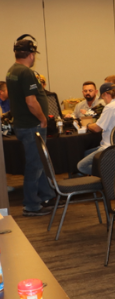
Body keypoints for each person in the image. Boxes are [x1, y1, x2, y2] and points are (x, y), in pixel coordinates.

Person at [6, 35, 55, 216]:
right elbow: (31, 101)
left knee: (39, 162)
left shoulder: (12, 70)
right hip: (32, 125)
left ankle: (47, 196)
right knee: (35, 165)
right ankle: (31, 205)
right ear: (32, 55)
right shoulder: (26, 72)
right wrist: (43, 119)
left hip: (22, 124)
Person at [76, 83, 115, 175]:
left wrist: (87, 125)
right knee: (86, 153)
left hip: (109, 147)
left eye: (103, 97)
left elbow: (97, 129)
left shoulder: (110, 107)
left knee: (81, 166)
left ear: (106, 94)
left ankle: (108, 175)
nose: (103, 100)